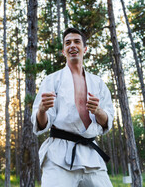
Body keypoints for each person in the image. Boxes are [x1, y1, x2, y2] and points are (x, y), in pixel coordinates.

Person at [31, 28, 114, 187]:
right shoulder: (52, 80)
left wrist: (97, 111)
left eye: (77, 41)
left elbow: (107, 121)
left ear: (85, 49)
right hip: (59, 156)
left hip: (91, 156)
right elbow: (42, 123)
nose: (72, 45)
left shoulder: (98, 83)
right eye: (68, 43)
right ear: (63, 51)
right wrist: (41, 110)